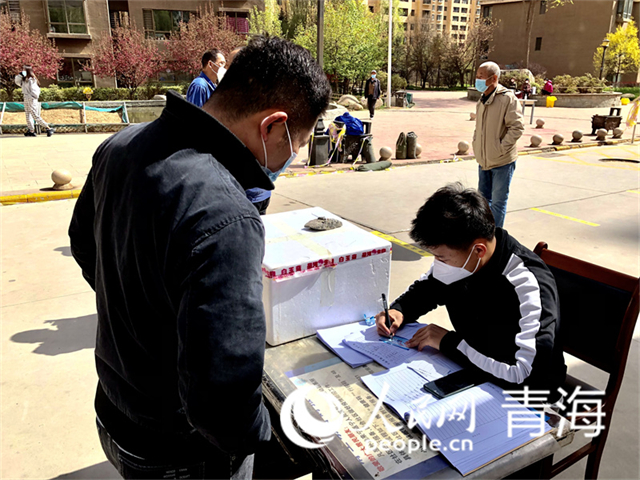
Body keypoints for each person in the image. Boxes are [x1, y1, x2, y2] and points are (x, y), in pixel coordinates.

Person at [69, 36, 331, 479]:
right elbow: (223, 398)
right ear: (273, 125)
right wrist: (263, 436)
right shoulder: (227, 215)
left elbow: (84, 245)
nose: (295, 156)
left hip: (114, 406)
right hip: (177, 450)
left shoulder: (120, 145)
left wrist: (143, 310)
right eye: (299, 143)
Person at [375, 183, 566, 400]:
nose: (438, 264)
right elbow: (428, 288)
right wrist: (399, 310)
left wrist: (448, 342)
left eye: (441, 258)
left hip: (524, 396)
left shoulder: (527, 285)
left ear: (479, 250)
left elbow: (526, 376)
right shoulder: (465, 260)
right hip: (473, 368)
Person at [472, 61, 524, 228]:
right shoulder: (482, 99)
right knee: (482, 202)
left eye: (481, 77)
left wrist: (501, 148)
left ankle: (495, 236)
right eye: (477, 76)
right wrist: (476, 145)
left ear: (493, 78)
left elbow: (517, 127)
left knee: (498, 203)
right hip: (484, 160)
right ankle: (483, 233)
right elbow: (478, 128)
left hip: (502, 161)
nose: (477, 80)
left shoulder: (507, 99)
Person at [228, 45, 272, 215]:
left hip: (247, 191)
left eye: (229, 65)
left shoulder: (239, 99)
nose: (225, 70)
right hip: (256, 189)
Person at [14, 66, 55, 137]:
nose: (22, 71)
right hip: (26, 97)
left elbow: (34, 90)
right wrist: (19, 75)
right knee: (28, 114)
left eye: (24, 70)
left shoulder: (31, 79)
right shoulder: (24, 79)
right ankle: (31, 130)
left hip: (31, 98)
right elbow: (17, 82)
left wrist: (33, 97)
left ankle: (48, 128)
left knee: (34, 115)